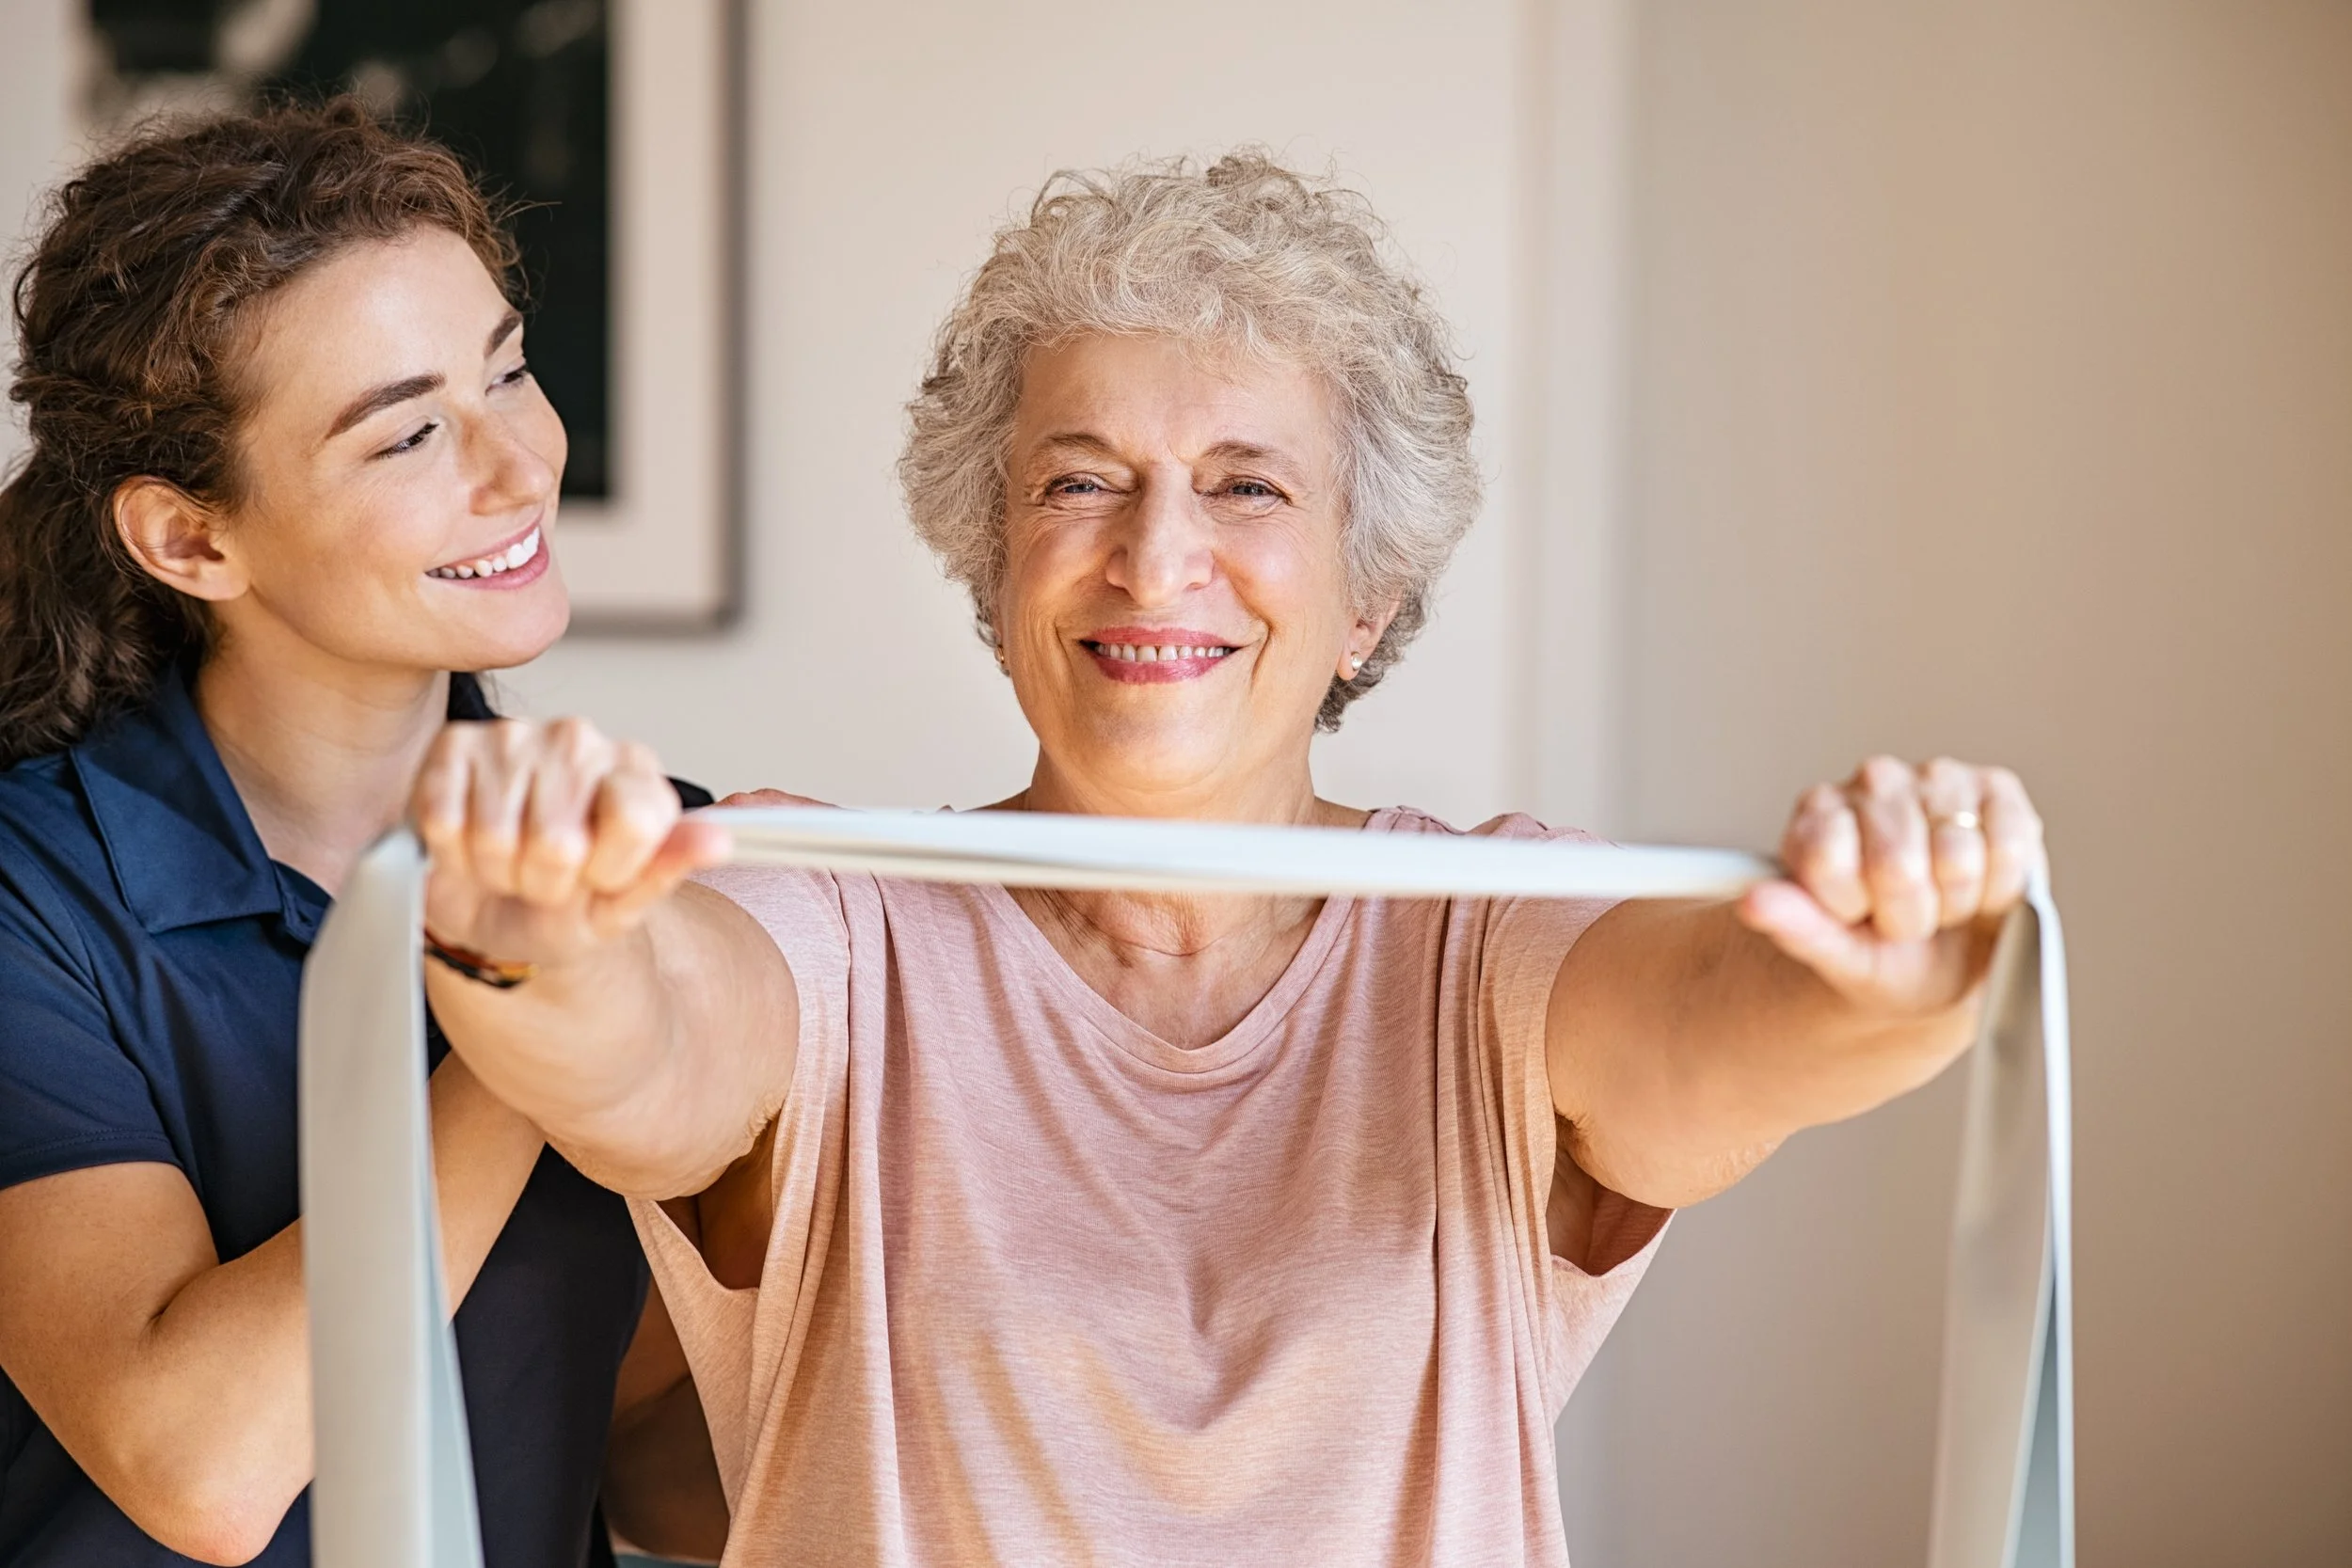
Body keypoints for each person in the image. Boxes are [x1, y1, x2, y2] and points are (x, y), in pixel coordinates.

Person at [408, 154, 2047, 1567]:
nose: (1157, 555)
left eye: (1247, 486)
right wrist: (535, 935)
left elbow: (1732, 1029)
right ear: (996, 566)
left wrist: (1894, 968)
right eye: (1081, 482)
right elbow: (644, 1044)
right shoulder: (827, 915)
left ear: (1367, 598)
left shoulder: (1495, 942)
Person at [0, 103, 717, 1566]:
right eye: (409, 433)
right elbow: (200, 1461)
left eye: (507, 370)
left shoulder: (673, 851)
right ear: (191, 539)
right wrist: (555, 997)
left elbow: (640, 1446)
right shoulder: (33, 897)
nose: (520, 465)